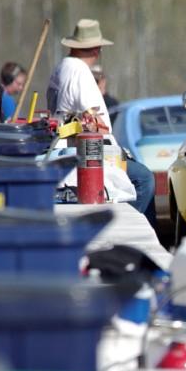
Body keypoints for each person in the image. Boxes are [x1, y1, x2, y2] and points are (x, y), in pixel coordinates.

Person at [48, 18, 155, 229]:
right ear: (96, 50)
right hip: (90, 151)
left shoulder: (62, 67)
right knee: (144, 179)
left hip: (72, 148)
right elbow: (92, 118)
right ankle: (131, 231)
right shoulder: (79, 72)